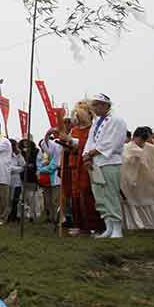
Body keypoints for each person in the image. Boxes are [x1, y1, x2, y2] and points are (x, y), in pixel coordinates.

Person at [83, 93, 128, 239]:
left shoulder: (117, 120)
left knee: (110, 193)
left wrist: (92, 153)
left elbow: (112, 142)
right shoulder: (96, 122)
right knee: (99, 195)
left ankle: (117, 227)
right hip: (96, 163)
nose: (95, 108)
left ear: (106, 105)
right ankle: (108, 226)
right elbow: (90, 141)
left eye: (98, 104)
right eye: (94, 105)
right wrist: (86, 156)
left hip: (109, 161)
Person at [60, 101, 103, 235]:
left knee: (88, 194)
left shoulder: (94, 129)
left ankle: (94, 225)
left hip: (87, 165)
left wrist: (72, 142)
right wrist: (66, 143)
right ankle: (80, 224)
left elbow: (90, 146)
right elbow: (73, 145)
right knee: (75, 194)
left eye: (80, 115)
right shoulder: (74, 130)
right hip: (74, 165)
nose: (77, 118)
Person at [38, 128, 63, 225]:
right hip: (48, 179)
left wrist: (40, 170)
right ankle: (53, 219)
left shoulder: (60, 145)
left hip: (57, 178)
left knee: (55, 201)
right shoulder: (54, 146)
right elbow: (46, 145)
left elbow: (53, 166)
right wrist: (47, 134)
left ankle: (59, 220)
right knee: (49, 201)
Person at [7, 139, 25, 222]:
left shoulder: (18, 155)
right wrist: (17, 168)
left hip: (16, 181)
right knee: (8, 199)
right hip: (6, 180)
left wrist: (14, 169)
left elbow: (23, 166)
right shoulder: (5, 155)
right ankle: (7, 215)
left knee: (15, 199)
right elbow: (7, 168)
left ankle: (14, 215)